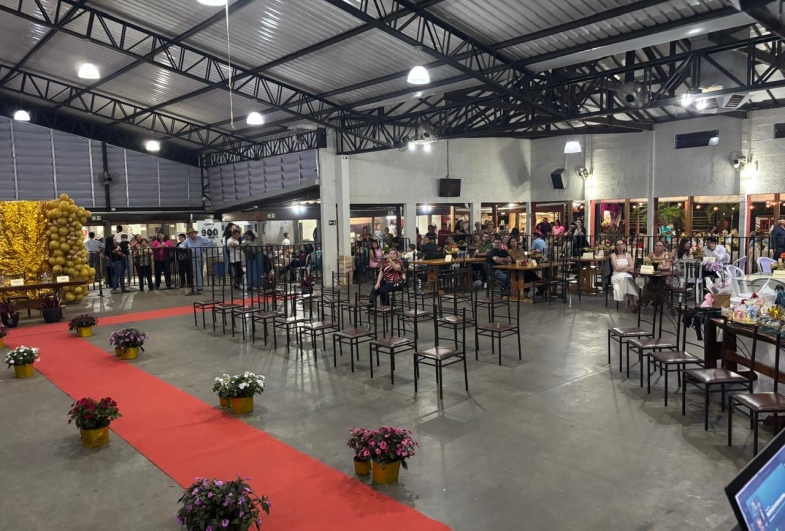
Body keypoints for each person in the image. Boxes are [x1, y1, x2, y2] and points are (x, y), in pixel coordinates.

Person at [181, 227, 214, 294]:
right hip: (193, 258)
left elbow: (211, 242)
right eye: (190, 233)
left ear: (195, 233)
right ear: (189, 234)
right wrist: (183, 247)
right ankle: (199, 287)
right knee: (197, 273)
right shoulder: (188, 240)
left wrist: (204, 248)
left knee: (200, 272)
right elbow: (181, 245)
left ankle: (200, 286)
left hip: (200, 257)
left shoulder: (201, 238)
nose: (192, 234)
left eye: (193, 233)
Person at [610, 239, 639, 312]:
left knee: (627, 280)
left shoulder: (628, 255)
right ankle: (635, 300)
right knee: (626, 280)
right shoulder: (613, 255)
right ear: (616, 247)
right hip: (617, 276)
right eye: (618, 245)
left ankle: (632, 304)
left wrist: (622, 268)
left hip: (627, 275)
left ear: (624, 245)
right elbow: (616, 268)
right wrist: (626, 267)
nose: (620, 246)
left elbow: (632, 268)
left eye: (622, 244)